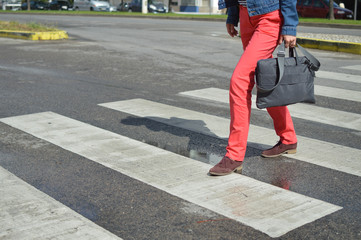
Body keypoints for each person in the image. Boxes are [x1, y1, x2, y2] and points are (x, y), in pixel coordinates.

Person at [209, 0, 299, 176]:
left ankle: (234, 155)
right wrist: (232, 16)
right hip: (245, 16)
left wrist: (289, 26)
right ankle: (288, 138)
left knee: (239, 81)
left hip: (268, 17)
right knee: (263, 80)